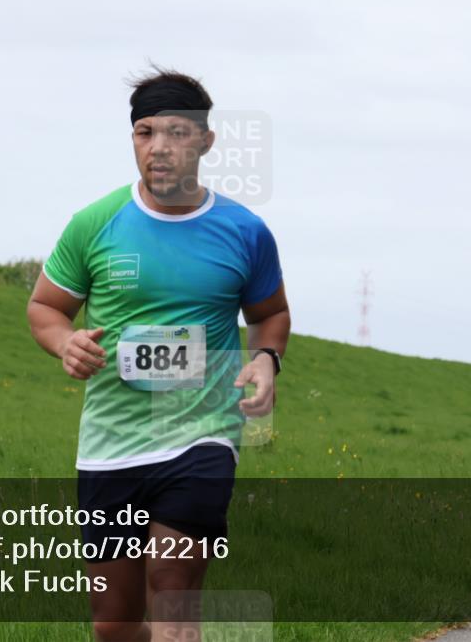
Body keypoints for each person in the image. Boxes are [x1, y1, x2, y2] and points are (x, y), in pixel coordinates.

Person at [26, 67, 290, 642]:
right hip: (110, 442)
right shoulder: (95, 224)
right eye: (146, 133)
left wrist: (266, 360)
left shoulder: (245, 231)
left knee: (173, 603)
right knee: (114, 624)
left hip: (203, 431)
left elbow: (269, 314)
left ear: (205, 141)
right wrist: (63, 342)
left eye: (176, 132)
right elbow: (45, 309)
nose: (160, 148)